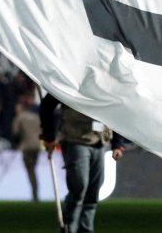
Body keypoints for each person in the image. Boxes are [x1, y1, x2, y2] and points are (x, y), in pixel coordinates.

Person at [39, 95, 127, 233]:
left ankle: (86, 229)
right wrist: (49, 136)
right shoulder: (71, 79)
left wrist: (118, 143)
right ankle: (70, 227)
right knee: (79, 186)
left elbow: (115, 111)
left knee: (93, 190)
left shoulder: (107, 83)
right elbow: (47, 105)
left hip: (99, 141)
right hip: (75, 139)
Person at [12, 97, 43, 201]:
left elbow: (15, 134)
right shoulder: (36, 117)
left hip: (26, 146)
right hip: (37, 146)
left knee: (30, 170)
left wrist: (16, 144)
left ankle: (35, 194)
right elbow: (42, 130)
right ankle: (35, 192)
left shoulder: (19, 118)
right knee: (33, 169)